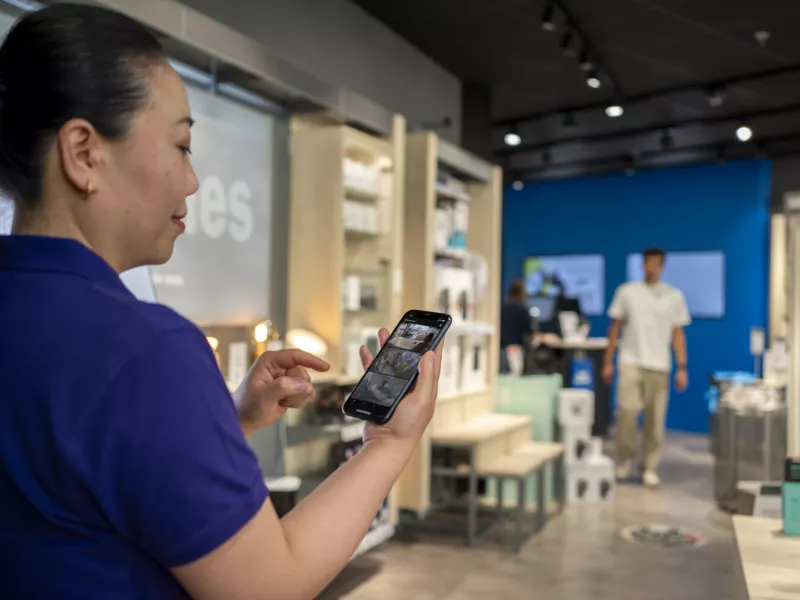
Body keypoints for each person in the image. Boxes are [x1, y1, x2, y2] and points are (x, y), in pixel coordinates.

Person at [0, 5, 442, 600]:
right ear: (83, 152)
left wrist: (217, 419)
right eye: (181, 146)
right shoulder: (146, 348)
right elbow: (268, 587)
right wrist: (389, 444)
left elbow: (62, 476)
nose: (192, 181)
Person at [602, 247, 690, 488]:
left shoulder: (673, 296)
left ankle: (649, 466)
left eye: (657, 263)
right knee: (626, 413)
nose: (652, 267)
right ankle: (624, 460)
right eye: (648, 262)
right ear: (643, 264)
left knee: (655, 419)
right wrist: (608, 361)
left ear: (662, 266)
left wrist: (682, 366)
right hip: (630, 361)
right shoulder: (627, 292)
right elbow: (614, 328)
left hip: (659, 364)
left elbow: (678, 333)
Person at [500, 279, 532, 372]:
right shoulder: (522, 310)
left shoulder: (503, 308)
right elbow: (528, 330)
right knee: (515, 375)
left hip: (503, 347)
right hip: (516, 348)